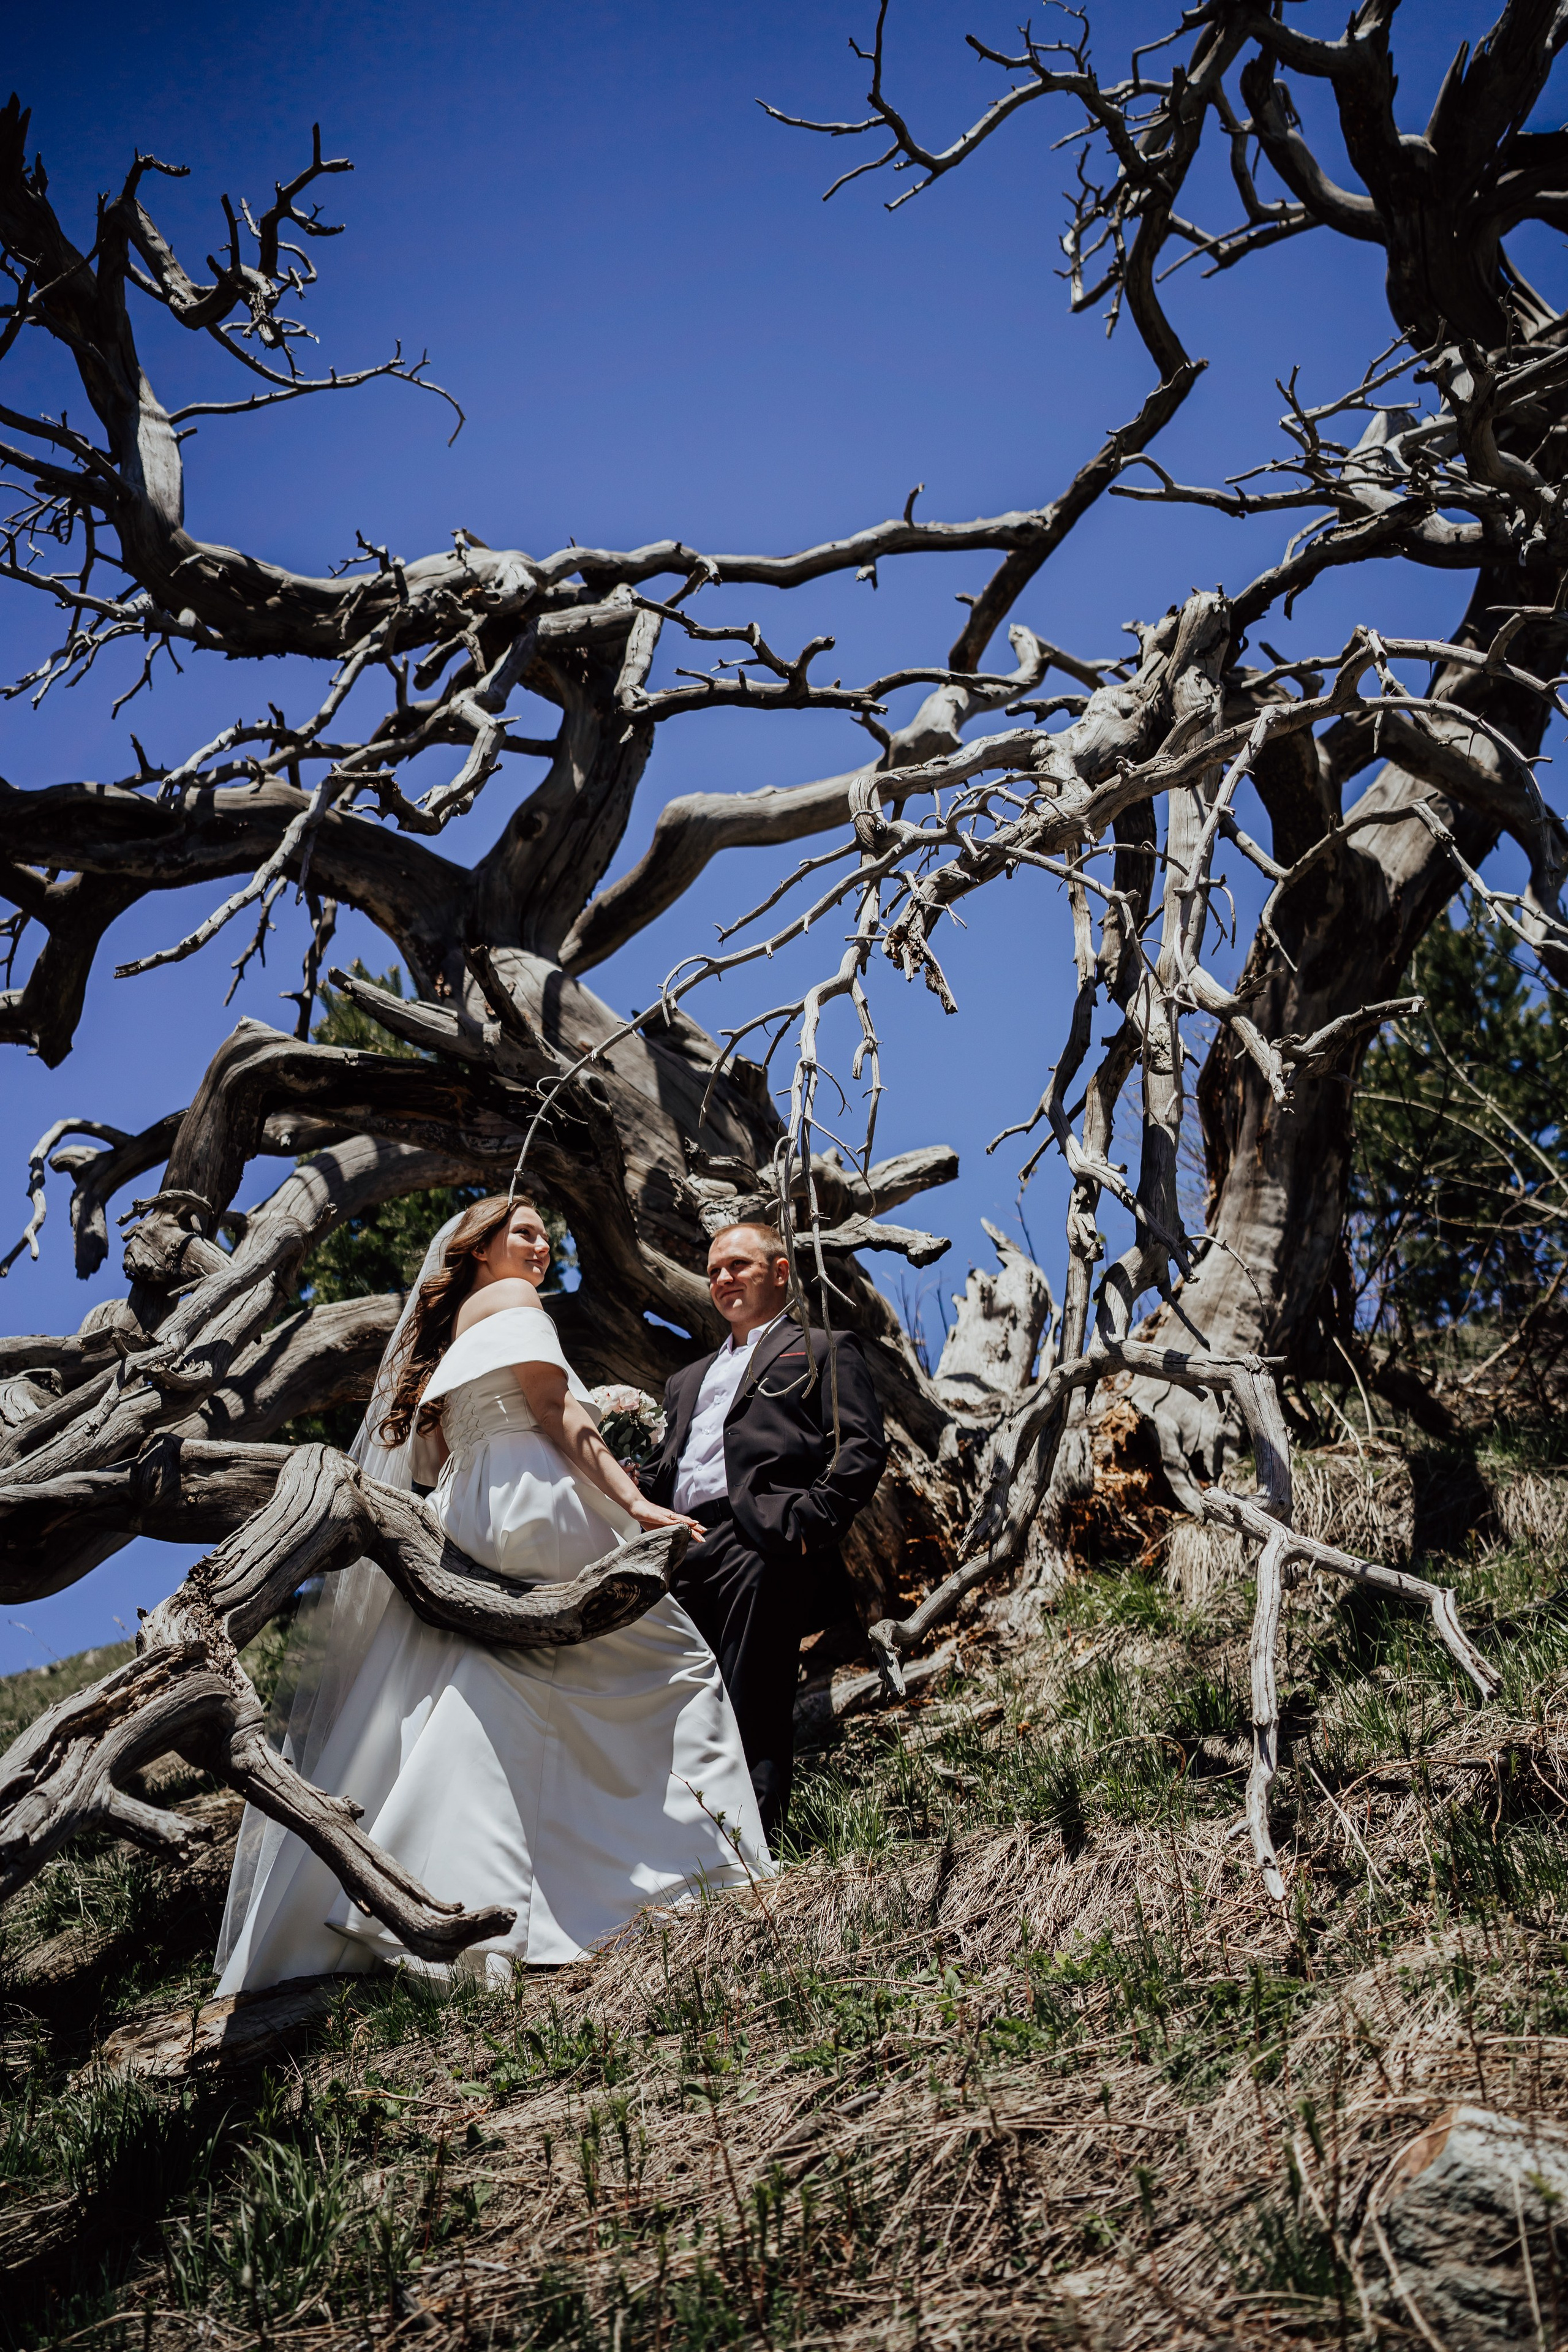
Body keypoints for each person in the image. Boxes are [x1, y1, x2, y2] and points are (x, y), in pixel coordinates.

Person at [214, 1196, 769, 1993]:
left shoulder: (447, 1331)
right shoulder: (512, 1297)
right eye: (525, 1232)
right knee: (674, 1661)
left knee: (488, 1687)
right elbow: (553, 1408)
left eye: (547, 1235)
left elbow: (436, 1454)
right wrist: (637, 1502)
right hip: (532, 1493)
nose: (541, 1247)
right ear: (479, 1247)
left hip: (467, 1505)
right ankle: (703, 1868)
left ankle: (471, 1897)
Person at [639, 1221, 888, 1839]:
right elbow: (671, 1462)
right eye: (714, 1271)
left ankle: (754, 1849)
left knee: (752, 1691)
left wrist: (804, 1526)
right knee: (673, 1697)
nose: (722, 1279)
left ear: (780, 1272)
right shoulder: (685, 1380)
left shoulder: (824, 1348)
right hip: (680, 1546)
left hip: (762, 1541)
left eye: (738, 1266)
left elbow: (860, 1448)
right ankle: (682, 1847)